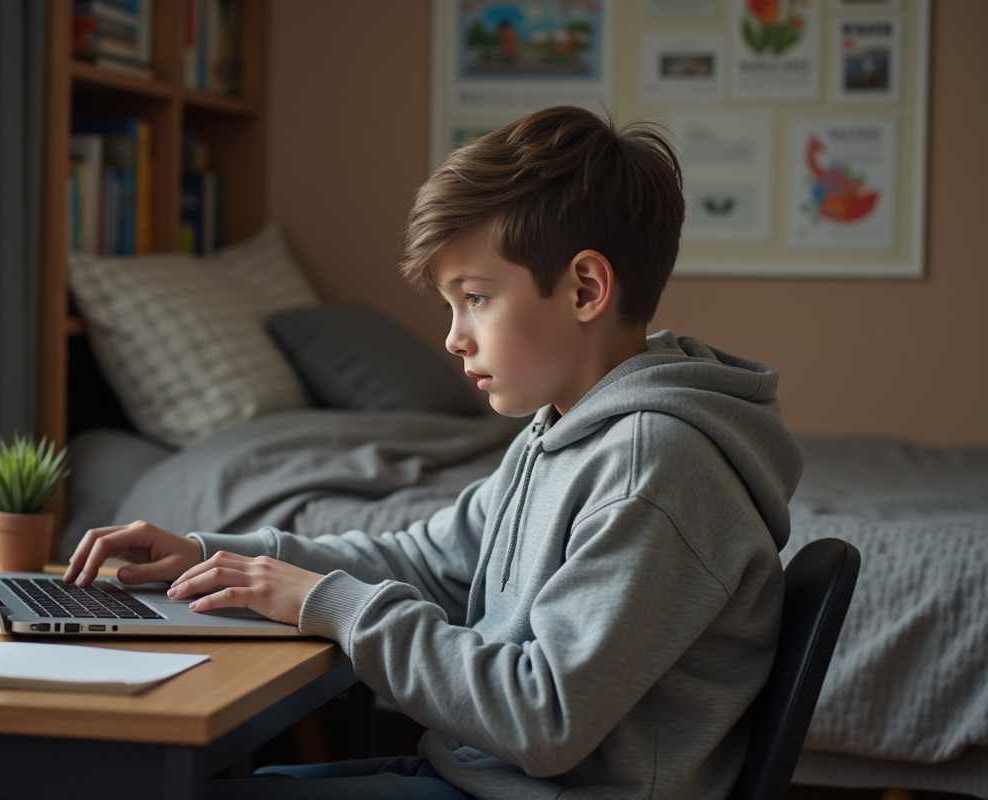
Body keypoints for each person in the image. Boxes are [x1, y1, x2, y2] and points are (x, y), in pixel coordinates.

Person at [65, 105, 805, 800]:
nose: (453, 336)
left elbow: (543, 719)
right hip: (484, 778)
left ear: (584, 287)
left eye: (476, 298)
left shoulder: (652, 468)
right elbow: (427, 562)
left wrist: (332, 606)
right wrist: (211, 552)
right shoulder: (561, 430)